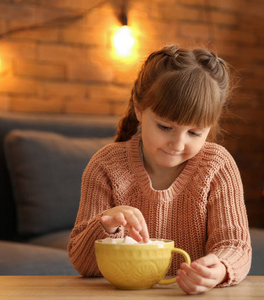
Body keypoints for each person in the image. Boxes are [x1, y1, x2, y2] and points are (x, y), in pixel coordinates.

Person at [68, 44, 252, 295]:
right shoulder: (105, 166)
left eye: (195, 132)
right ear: (139, 109)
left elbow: (235, 246)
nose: (178, 144)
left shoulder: (217, 166)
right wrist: (107, 226)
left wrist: (219, 268)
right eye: (165, 127)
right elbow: (83, 264)